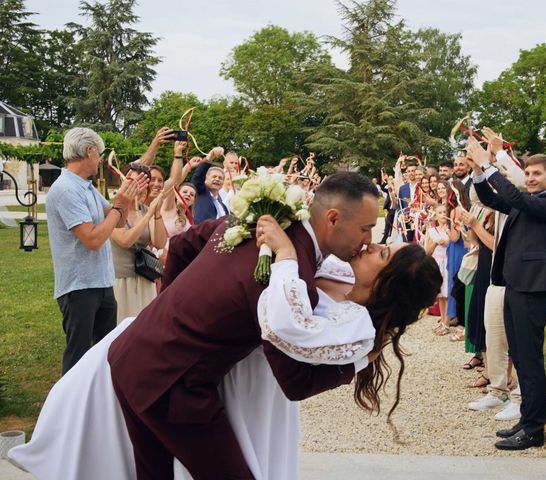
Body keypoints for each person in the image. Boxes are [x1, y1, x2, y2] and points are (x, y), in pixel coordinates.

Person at [9, 217, 441, 480]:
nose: (369, 243)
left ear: (388, 282)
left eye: (382, 251)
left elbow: (288, 358)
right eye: (375, 237)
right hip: (197, 376)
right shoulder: (324, 265)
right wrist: (176, 313)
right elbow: (186, 245)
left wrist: (287, 257)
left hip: (245, 395)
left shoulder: (351, 322)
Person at [108, 172, 383, 478]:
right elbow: (294, 381)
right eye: (365, 228)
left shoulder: (254, 220)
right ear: (332, 218)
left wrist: (167, 309)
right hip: (172, 382)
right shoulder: (290, 276)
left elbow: (183, 245)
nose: (368, 239)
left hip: (131, 353)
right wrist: (359, 360)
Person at [467, 136, 546, 451]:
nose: (531, 178)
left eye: (538, 174)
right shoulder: (525, 200)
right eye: (529, 174)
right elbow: (490, 198)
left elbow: (517, 199)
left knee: (530, 359)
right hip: (513, 285)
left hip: (532, 288)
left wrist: (488, 162)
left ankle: (535, 429)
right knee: (520, 357)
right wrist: (480, 175)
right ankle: (527, 418)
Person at [45, 127, 147, 375]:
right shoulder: (66, 190)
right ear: (89, 152)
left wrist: (125, 200)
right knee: (78, 358)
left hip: (101, 282)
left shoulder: (86, 187)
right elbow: (93, 239)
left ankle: (96, 406)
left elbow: (117, 221)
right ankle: (68, 410)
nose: (100, 160)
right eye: (99, 154)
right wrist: (119, 206)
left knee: (104, 353)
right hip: (79, 287)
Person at [110, 163, 167, 323]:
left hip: (145, 277)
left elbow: (160, 242)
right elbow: (125, 240)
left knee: (144, 327)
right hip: (122, 280)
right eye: (132, 181)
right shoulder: (113, 208)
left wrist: (156, 213)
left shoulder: (143, 209)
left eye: (142, 182)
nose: (137, 186)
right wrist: (149, 214)